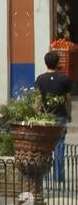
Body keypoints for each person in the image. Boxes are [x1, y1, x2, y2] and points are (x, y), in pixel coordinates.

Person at [35, 50, 71, 183]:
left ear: (46, 63)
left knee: (44, 147)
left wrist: (37, 114)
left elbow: (38, 100)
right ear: (57, 63)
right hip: (60, 116)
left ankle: (44, 175)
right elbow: (67, 100)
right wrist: (69, 114)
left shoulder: (40, 79)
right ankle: (58, 176)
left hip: (46, 118)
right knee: (59, 146)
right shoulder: (64, 79)